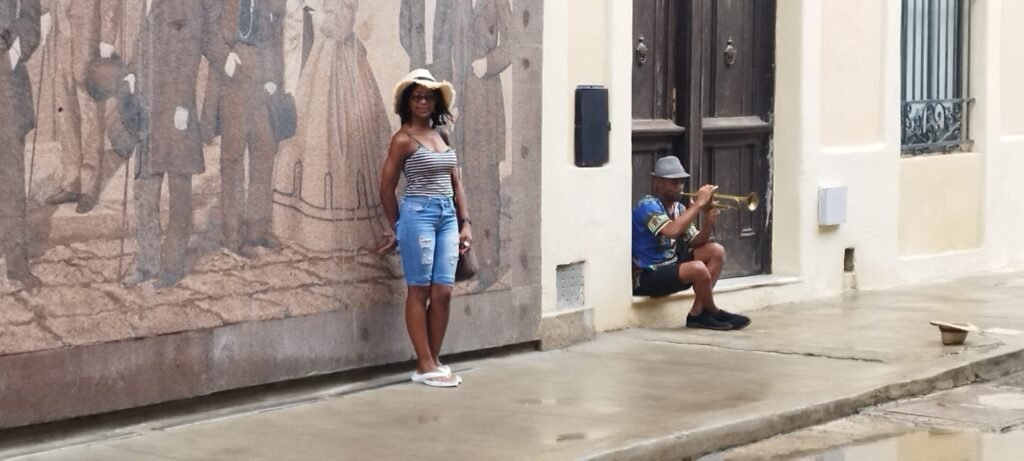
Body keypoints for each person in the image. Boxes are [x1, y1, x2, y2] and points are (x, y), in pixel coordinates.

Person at [271, 0, 390, 254]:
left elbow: (344, 25)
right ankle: (304, 223)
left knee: (343, 137)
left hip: (341, 58)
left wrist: (325, 21)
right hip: (323, 55)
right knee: (312, 133)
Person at [378, 69, 472, 388]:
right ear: (407, 102)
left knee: (443, 291)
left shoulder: (442, 136)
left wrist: (466, 223)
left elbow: (455, 182)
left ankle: (433, 360)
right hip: (418, 213)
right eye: (417, 96)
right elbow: (386, 188)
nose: (423, 101)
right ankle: (424, 363)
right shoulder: (403, 139)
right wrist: (398, 225)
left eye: (428, 97)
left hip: (447, 216)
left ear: (436, 103)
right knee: (419, 290)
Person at [121, 0, 222, 288]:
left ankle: (172, 266)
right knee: (145, 192)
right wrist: (131, 72)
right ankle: (147, 264)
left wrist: (181, 105)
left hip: (175, 111)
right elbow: (143, 43)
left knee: (179, 193)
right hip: (149, 112)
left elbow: (189, 53)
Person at [631, 156, 751, 331]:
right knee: (697, 268)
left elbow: (696, 242)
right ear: (657, 183)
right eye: (673, 182)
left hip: (671, 269)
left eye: (681, 182)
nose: (679, 186)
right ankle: (715, 312)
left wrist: (708, 221)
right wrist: (698, 205)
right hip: (646, 275)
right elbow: (671, 231)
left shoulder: (679, 209)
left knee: (716, 251)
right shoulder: (647, 206)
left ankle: (698, 313)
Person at [44, 0, 121, 214]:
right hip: (59, 43)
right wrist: (44, 14)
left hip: (88, 41)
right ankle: (71, 182)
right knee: (64, 113)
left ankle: (88, 186)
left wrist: (107, 36)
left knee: (90, 117)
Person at [0, 0, 43, 290]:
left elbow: (30, 20)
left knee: (11, 180)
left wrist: (14, 54)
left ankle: (16, 263)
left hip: (5, 85)